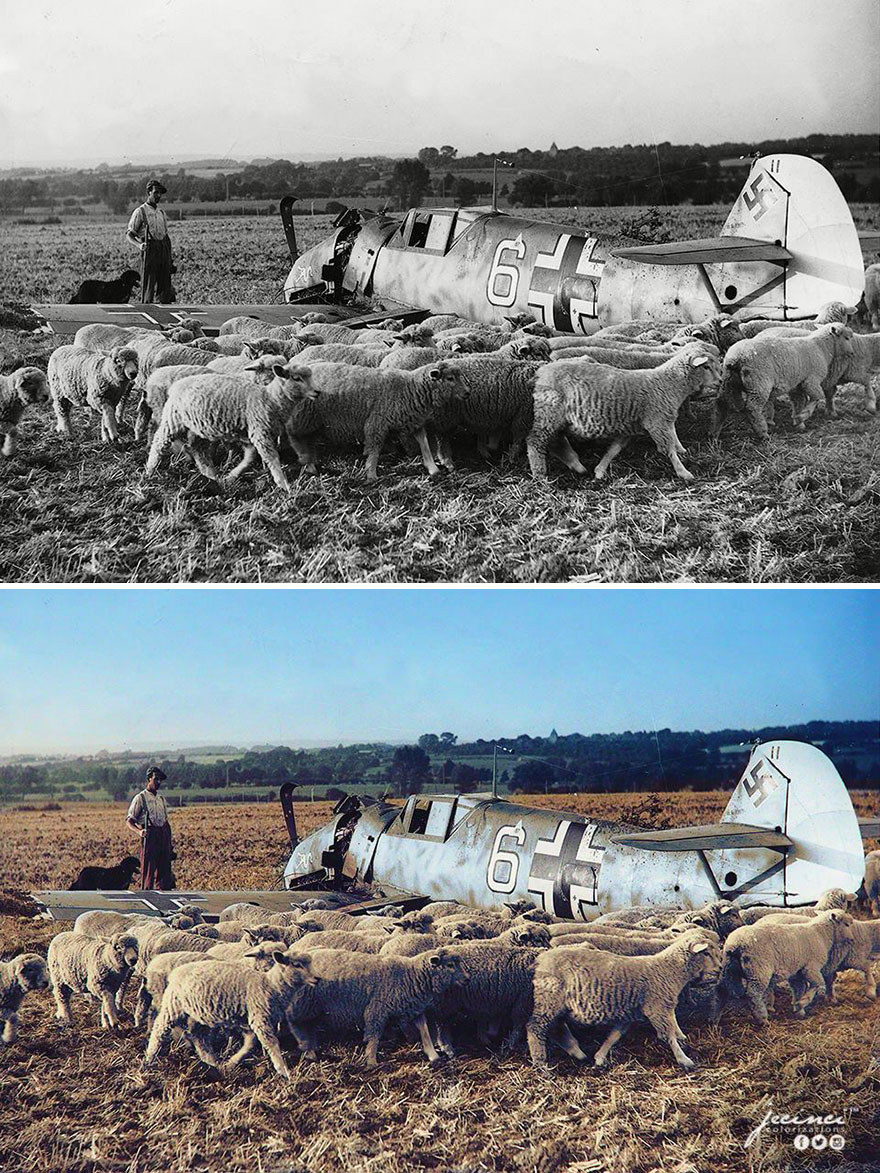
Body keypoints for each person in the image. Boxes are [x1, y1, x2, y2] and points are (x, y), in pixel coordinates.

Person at [126, 766, 175, 889]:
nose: (158, 782)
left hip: (163, 835)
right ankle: (148, 898)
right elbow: (129, 820)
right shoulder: (140, 798)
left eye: (160, 780)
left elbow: (165, 821)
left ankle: (164, 900)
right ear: (149, 779)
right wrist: (139, 831)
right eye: (156, 779)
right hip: (150, 836)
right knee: (148, 872)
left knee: (164, 873)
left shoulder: (161, 799)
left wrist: (169, 843)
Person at [126, 180, 174, 303]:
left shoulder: (161, 212)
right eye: (155, 192)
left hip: (163, 249)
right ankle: (148, 313)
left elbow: (166, 236)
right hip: (150, 250)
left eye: (160, 193)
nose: (158, 196)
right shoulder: (140, 212)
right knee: (148, 286)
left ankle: (165, 314)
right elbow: (129, 234)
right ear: (149, 192)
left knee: (165, 288)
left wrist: (170, 259)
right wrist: (139, 245)